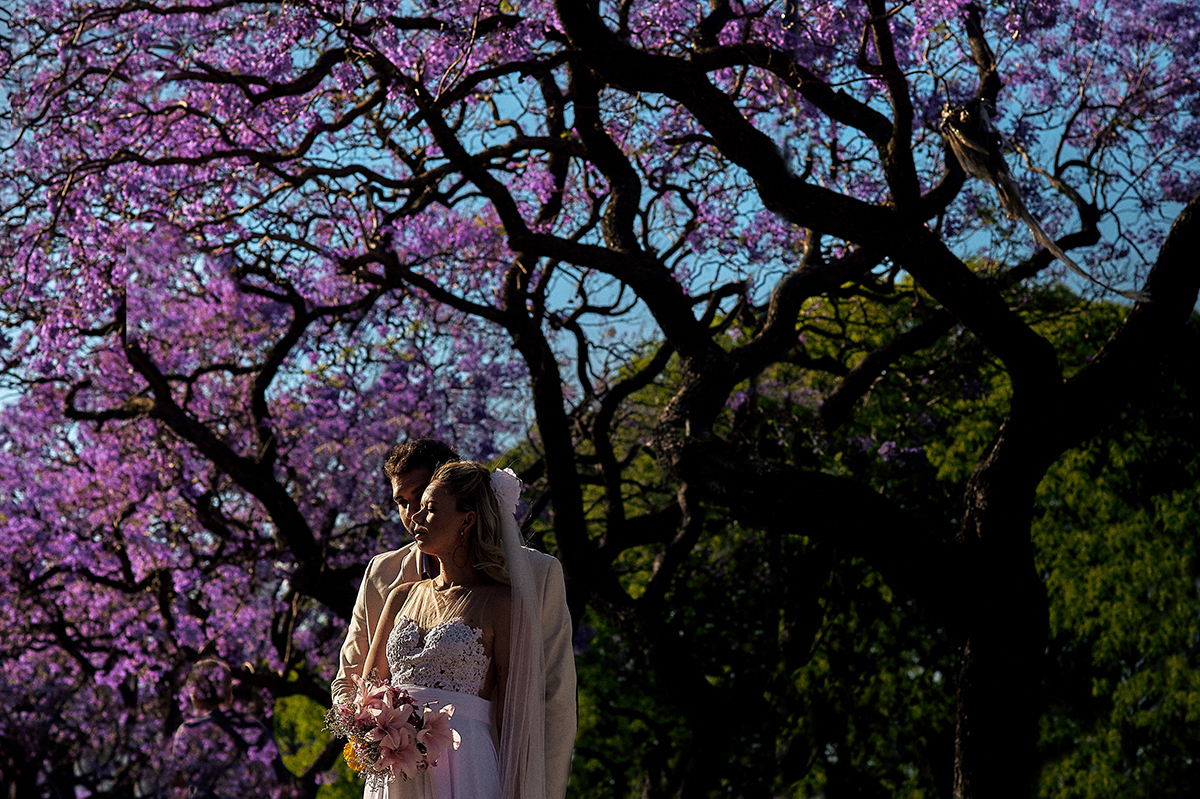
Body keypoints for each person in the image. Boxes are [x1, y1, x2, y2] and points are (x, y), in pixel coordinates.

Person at [332, 441, 575, 799]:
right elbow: (352, 679)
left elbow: (552, 699)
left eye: (424, 499)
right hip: (394, 772)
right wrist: (378, 733)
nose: (412, 513)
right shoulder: (385, 577)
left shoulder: (535, 576)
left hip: (472, 767)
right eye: (402, 502)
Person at [167, 659, 293, 799]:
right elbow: (282, 783)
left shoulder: (188, 732)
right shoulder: (256, 730)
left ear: (195, 699)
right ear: (230, 694)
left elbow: (178, 782)